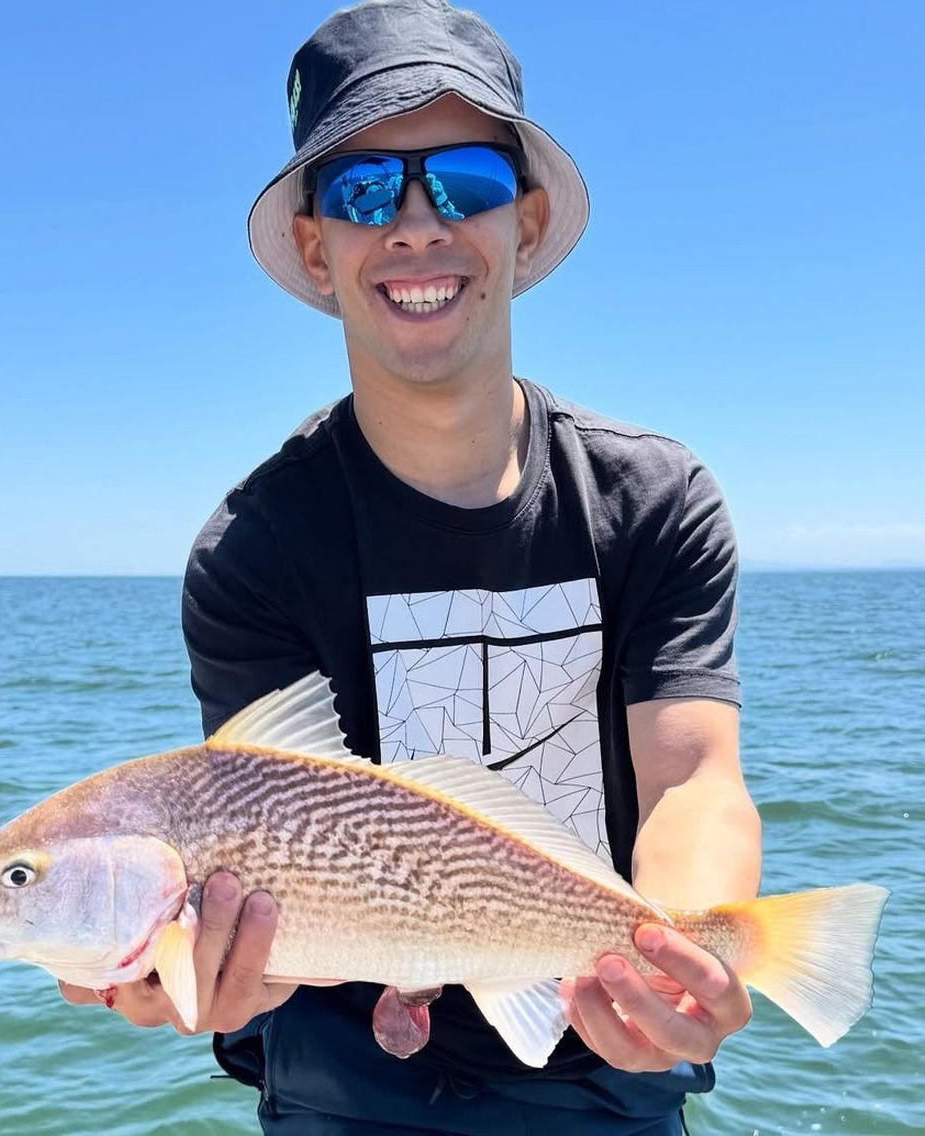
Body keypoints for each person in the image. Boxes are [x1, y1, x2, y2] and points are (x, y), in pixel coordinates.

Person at [62, 2, 761, 1132]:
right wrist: (179, 965)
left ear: (525, 224)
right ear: (313, 246)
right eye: (362, 192)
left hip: (602, 1062)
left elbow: (691, 779)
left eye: (469, 181)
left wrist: (682, 950)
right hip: (342, 1086)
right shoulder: (252, 550)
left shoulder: (654, 498)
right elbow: (259, 833)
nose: (418, 224)